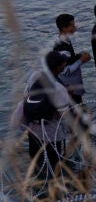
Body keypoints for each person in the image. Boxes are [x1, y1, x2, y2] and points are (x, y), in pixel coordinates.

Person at [10, 51, 71, 180]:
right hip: (52, 135)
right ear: (59, 67)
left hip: (33, 131)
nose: (65, 63)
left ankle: (38, 189)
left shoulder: (35, 76)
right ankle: (54, 193)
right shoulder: (59, 88)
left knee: (37, 164)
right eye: (63, 62)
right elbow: (64, 117)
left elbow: (26, 98)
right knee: (56, 168)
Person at [53, 14, 91, 104]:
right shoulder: (61, 46)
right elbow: (65, 71)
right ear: (64, 28)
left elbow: (69, 60)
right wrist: (81, 60)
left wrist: (79, 56)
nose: (75, 27)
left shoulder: (65, 40)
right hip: (70, 89)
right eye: (72, 25)